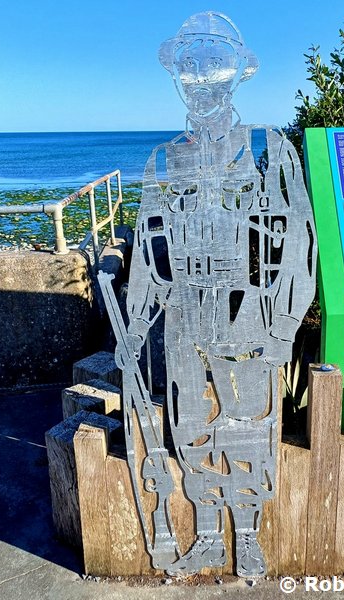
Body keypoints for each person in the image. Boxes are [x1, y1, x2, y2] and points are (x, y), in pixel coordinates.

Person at [124, 11, 316, 577]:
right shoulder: (162, 160)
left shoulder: (268, 146)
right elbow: (148, 251)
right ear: (177, 75)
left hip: (247, 311)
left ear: (236, 73)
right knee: (190, 427)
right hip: (183, 314)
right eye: (190, 67)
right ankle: (208, 535)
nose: (201, 79)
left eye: (214, 65)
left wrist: (284, 326)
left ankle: (247, 535)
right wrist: (137, 324)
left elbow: (298, 241)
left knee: (249, 427)